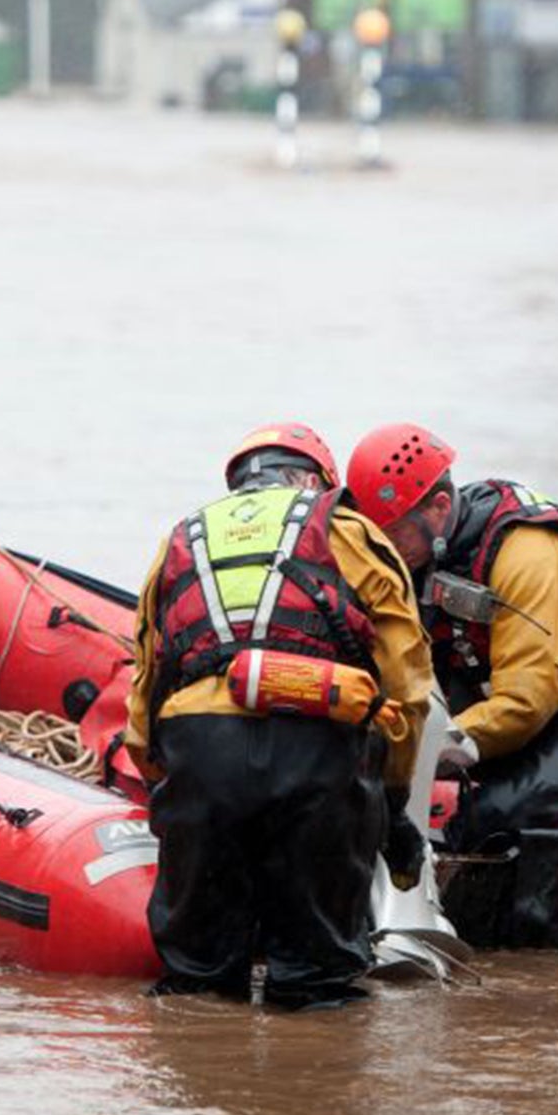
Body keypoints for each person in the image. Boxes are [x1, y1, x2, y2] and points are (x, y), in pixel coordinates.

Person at [124, 421, 432, 1011]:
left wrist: (169, 785)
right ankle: (309, 1085)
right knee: (318, 983)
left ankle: (193, 1092)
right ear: (318, 479)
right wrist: (391, 803)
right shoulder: (347, 528)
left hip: (201, 748)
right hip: (320, 754)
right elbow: (407, 685)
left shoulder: (182, 538)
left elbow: (144, 682)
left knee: (199, 981)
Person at [344, 423, 558, 853]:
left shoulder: (535, 555)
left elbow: (526, 704)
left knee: (491, 819)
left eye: (392, 535)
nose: (385, 552)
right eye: (374, 537)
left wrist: (421, 753)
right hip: (469, 701)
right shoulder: (414, 552)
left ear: (438, 507)